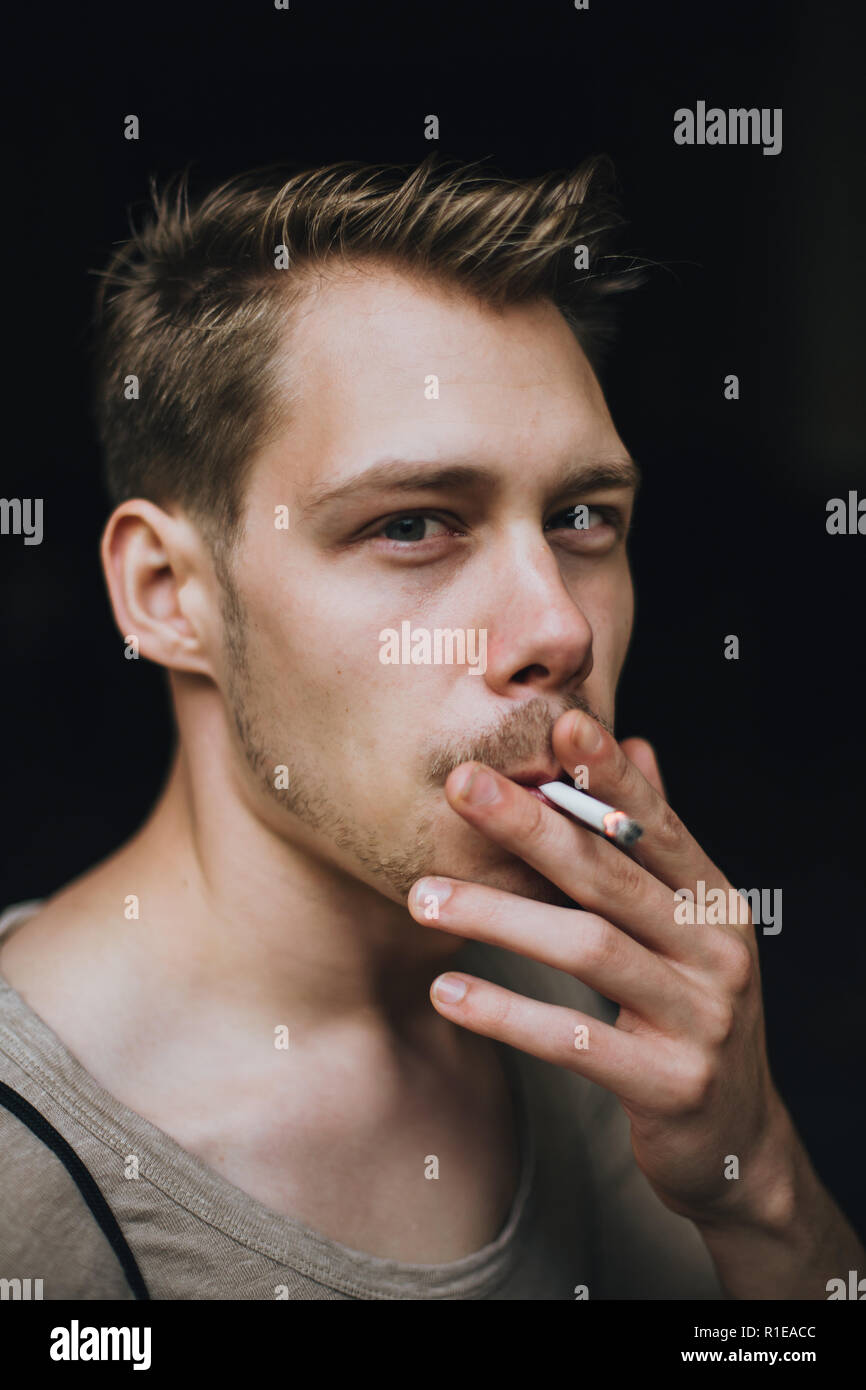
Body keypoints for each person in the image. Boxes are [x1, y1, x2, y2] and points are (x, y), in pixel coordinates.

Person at [1, 154, 861, 1300]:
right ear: (167, 593)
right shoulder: (31, 1182)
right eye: (412, 523)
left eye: (579, 516)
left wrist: (753, 1179)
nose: (557, 625)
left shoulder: (598, 1011)